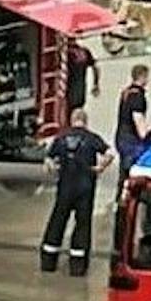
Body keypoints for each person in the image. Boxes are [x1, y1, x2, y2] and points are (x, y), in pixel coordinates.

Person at [39, 106, 112, 277]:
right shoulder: (92, 138)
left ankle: (48, 261)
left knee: (57, 223)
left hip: (65, 188)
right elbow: (109, 153)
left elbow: (48, 160)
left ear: (72, 121)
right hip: (85, 189)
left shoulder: (61, 137)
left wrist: (54, 170)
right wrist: (100, 167)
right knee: (82, 225)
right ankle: (77, 265)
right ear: (85, 122)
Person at [114, 64, 151, 182]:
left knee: (123, 171)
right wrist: (145, 136)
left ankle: (120, 196)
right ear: (142, 76)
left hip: (121, 135)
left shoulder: (126, 92)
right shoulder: (137, 95)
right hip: (130, 139)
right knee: (131, 172)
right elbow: (137, 117)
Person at [66, 36, 103, 114]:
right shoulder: (84, 51)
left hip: (66, 90)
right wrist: (96, 84)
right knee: (77, 112)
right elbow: (96, 67)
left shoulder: (65, 52)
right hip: (80, 90)